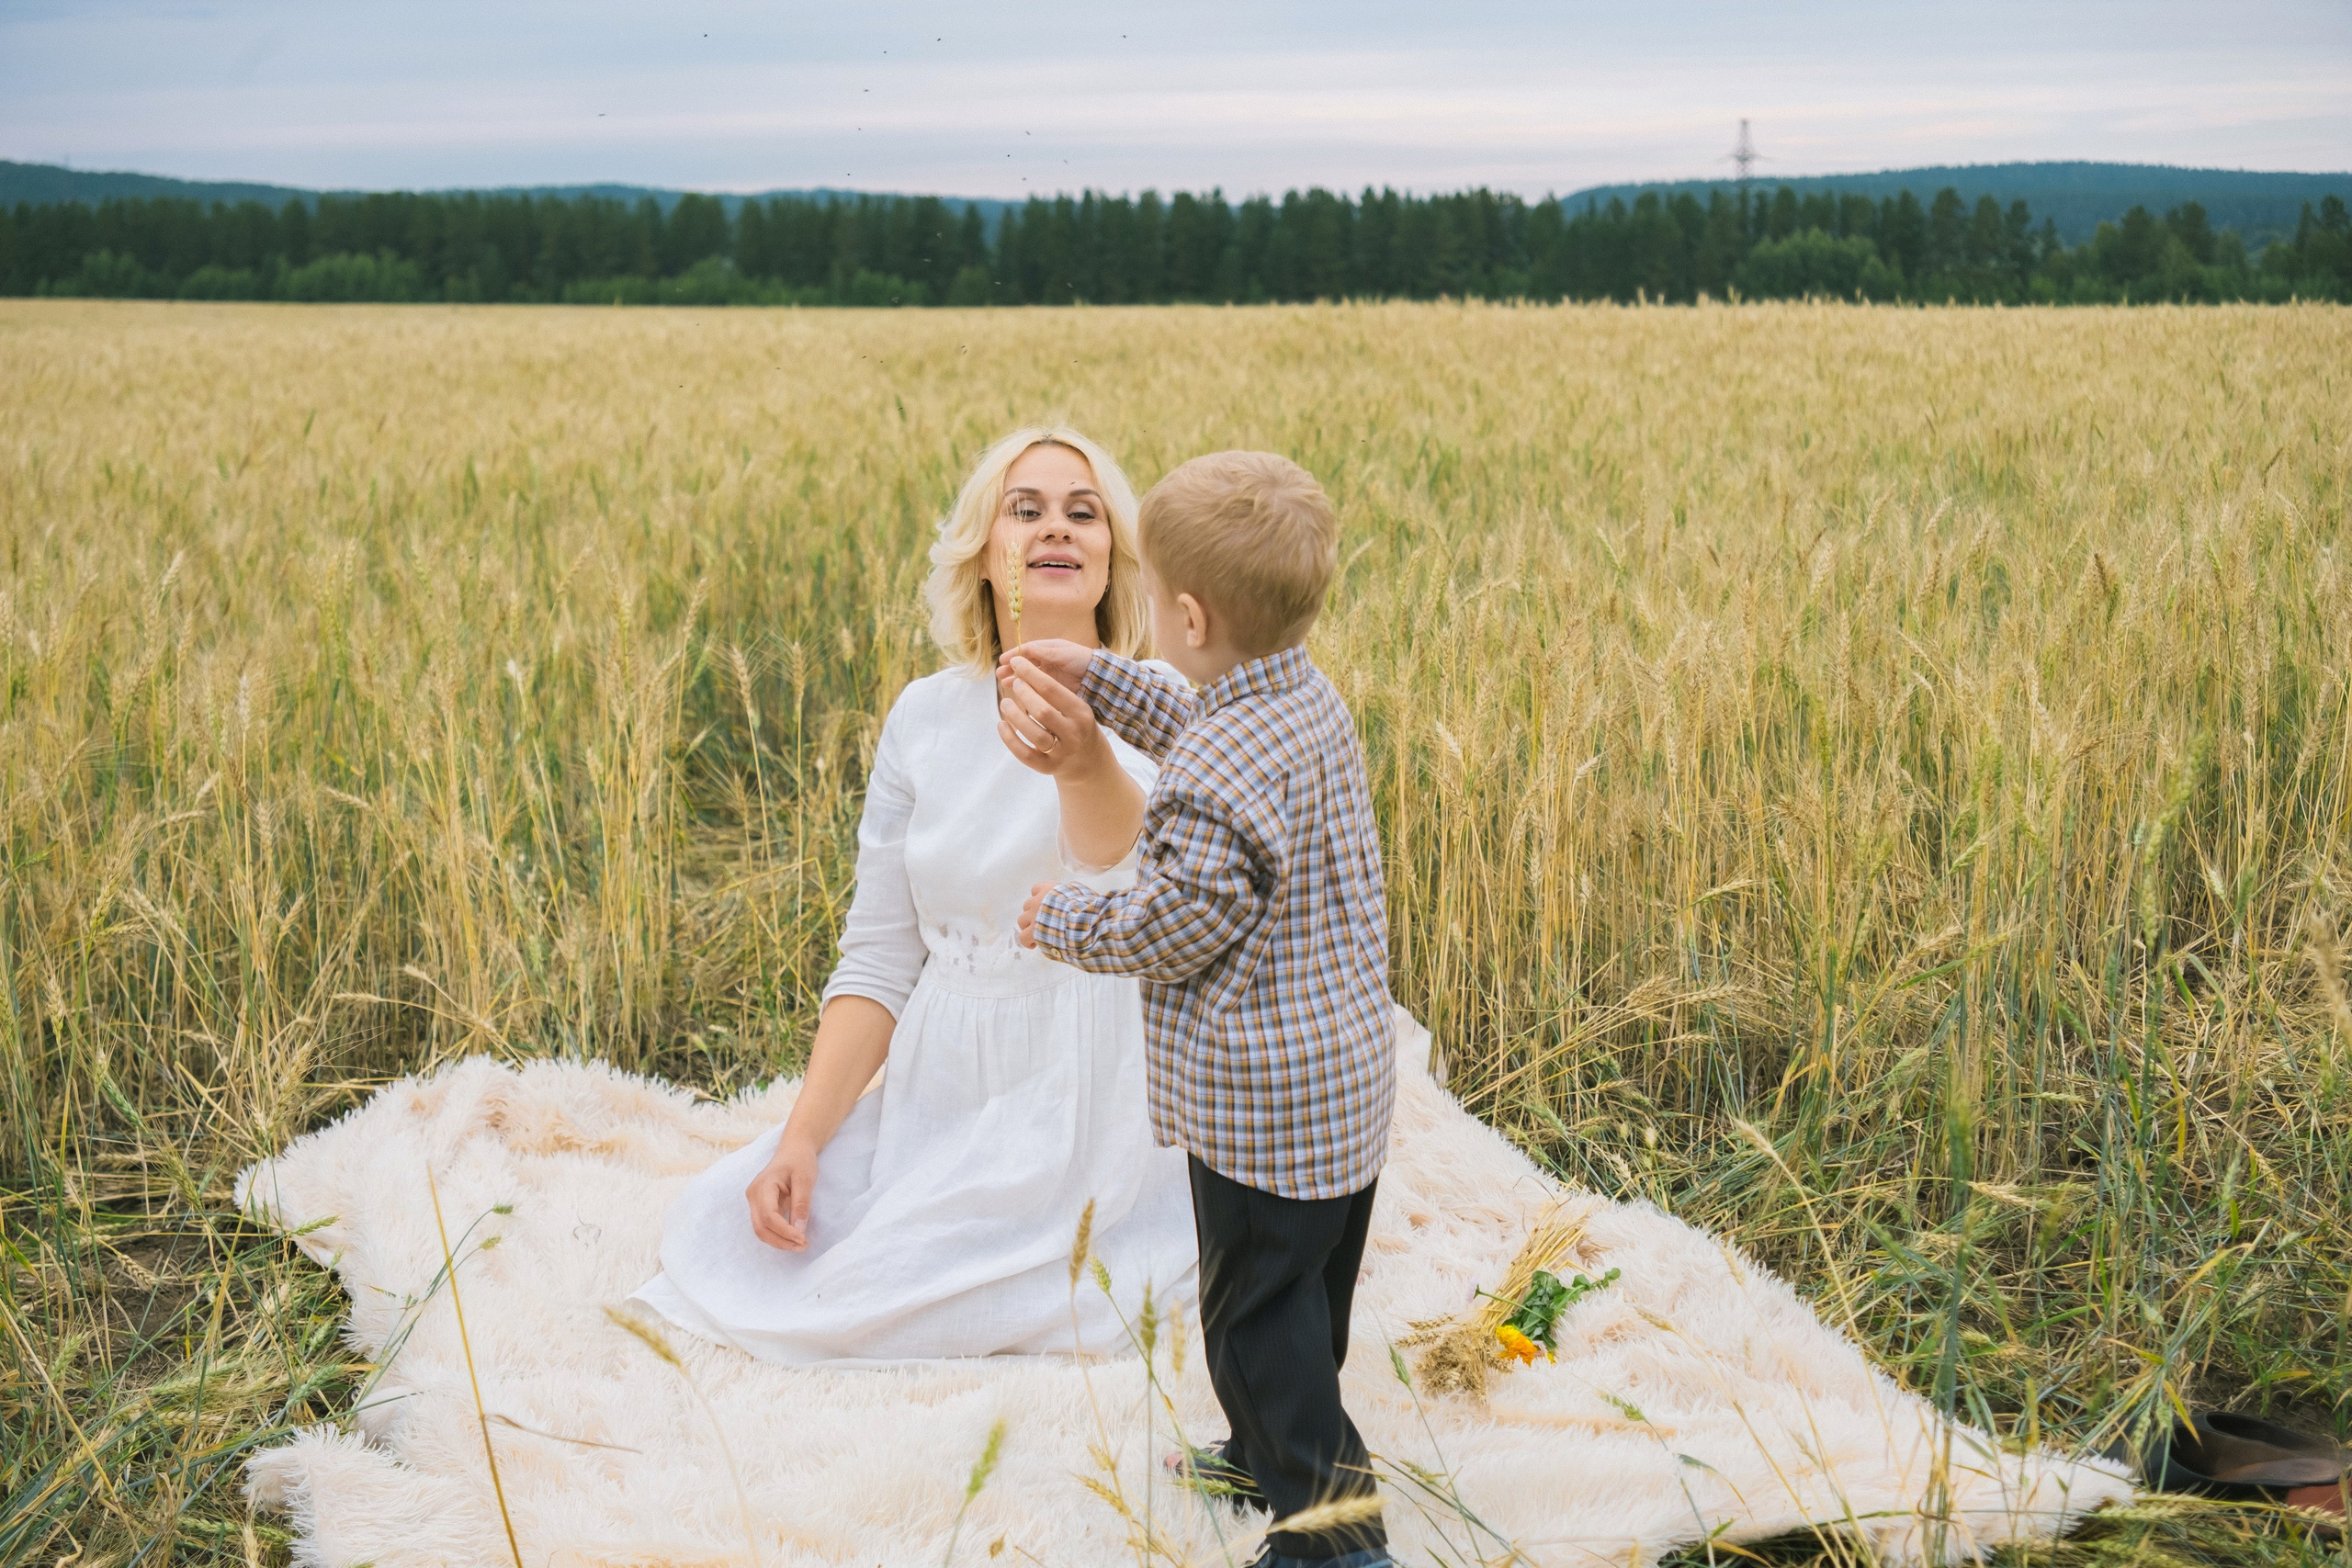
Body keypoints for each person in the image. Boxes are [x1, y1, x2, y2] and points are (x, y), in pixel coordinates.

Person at [628, 427, 1198, 1363]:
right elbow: (884, 955)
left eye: (1083, 513)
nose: (1056, 527)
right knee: (739, 1240)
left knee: (1020, 1291)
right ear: (983, 555)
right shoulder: (926, 717)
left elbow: (1130, 887)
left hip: (1102, 1080)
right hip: (948, 1077)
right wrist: (802, 1139)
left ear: (1111, 558)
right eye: (1026, 510)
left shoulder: (1163, 699)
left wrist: (1084, 762)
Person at [1012, 452, 1396, 1568]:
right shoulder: (1293, 695)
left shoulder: (1214, 769)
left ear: (1186, 612)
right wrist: (1099, 676)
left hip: (1259, 1111)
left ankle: (1333, 1537)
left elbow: (1175, 923)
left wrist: (1063, 920)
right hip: (1341, 1094)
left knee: (1251, 1324)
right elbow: (1199, 716)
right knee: (1307, 1301)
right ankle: (1259, 1447)